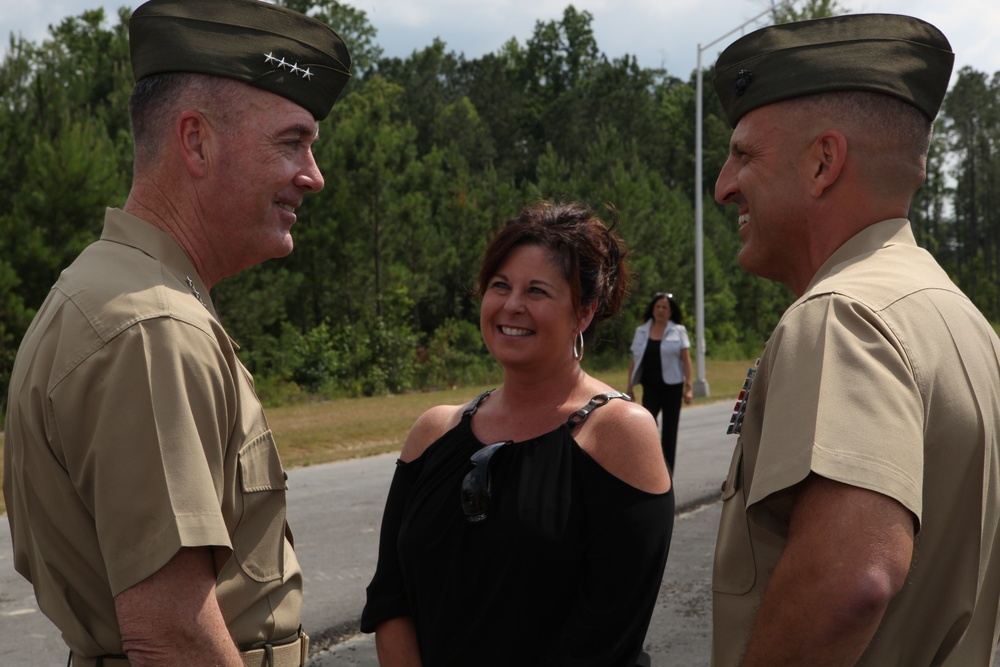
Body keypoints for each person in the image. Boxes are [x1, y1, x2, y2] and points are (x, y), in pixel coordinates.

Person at [2, 1, 351, 665]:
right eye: (291, 141)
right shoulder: (152, 324)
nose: (314, 174)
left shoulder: (109, 288)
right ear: (196, 141)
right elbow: (171, 636)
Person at [710, 13, 1000, 666]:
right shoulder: (957, 317)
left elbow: (852, 580)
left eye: (744, 153)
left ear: (823, 162)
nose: (725, 185)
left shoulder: (842, 315)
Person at [360, 201, 674, 666]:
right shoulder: (432, 431)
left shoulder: (617, 434)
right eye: (500, 286)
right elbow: (391, 597)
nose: (512, 305)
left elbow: (605, 638)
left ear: (584, 313)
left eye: (538, 291)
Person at [626, 292, 694, 472]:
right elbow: (634, 361)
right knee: (647, 426)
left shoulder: (679, 331)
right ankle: (650, 466)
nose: (661, 310)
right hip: (650, 386)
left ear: (671, 312)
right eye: (658, 306)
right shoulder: (641, 331)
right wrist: (629, 387)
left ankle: (668, 471)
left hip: (672, 387)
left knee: (670, 432)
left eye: (665, 307)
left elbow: (686, 360)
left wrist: (688, 387)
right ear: (652, 309)